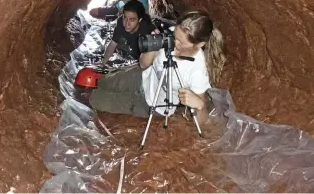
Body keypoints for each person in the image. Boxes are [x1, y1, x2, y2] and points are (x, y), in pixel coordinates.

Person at [90, 11, 226, 125]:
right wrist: (152, 49)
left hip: (149, 103)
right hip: (140, 77)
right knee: (102, 81)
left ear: (200, 44)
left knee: (94, 99)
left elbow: (202, 121)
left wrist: (199, 105)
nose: (174, 43)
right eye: (175, 37)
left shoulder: (197, 71)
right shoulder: (172, 34)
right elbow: (143, 64)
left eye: (182, 43)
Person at [101, 0, 155, 65]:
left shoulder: (146, 28)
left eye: (132, 19)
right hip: (128, 44)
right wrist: (102, 64)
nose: (127, 23)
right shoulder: (120, 21)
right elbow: (113, 44)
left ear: (140, 20)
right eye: (125, 18)